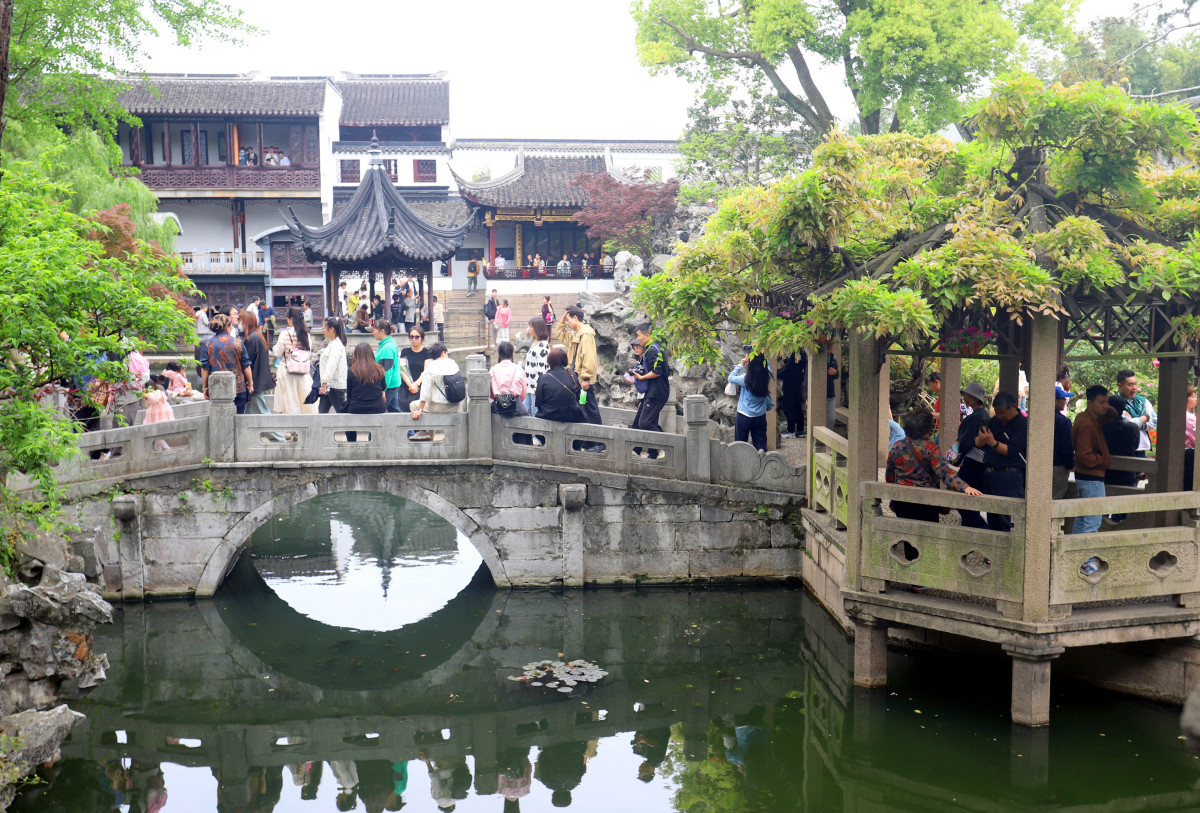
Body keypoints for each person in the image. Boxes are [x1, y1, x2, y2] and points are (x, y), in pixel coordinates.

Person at [886, 409, 982, 522]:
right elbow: (945, 473)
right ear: (926, 429)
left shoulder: (897, 446)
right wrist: (965, 487)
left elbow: (889, 475)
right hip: (926, 503)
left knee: (906, 534)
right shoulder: (931, 448)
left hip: (901, 501)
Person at [975, 390, 1026, 532]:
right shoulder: (995, 422)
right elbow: (978, 444)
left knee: (1007, 519)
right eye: (997, 413)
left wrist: (992, 442)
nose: (1001, 416)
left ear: (1014, 407)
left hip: (1009, 475)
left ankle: (1009, 552)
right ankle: (993, 553)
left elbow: (1012, 451)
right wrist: (981, 438)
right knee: (993, 518)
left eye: (1004, 412)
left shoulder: (1022, 423)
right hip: (990, 474)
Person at [1072, 384, 1120, 534]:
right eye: (1101, 402)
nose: (1105, 406)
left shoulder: (1090, 418)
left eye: (1107, 402)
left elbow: (1113, 415)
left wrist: (1104, 405)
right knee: (1092, 521)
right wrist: (1103, 460)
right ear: (1090, 403)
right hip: (1091, 478)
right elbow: (1083, 456)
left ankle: (1076, 555)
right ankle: (1087, 558)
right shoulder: (1086, 423)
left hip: (1086, 477)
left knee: (1083, 519)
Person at [554, 306, 602, 424]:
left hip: (584, 381)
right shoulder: (576, 335)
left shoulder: (586, 335)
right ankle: (587, 441)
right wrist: (562, 319)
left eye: (568, 320)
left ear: (575, 318)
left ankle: (598, 441)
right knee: (583, 410)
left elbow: (589, 358)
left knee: (590, 410)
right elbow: (560, 335)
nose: (567, 323)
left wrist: (585, 378)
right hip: (577, 380)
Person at [199, 313, 253, 413]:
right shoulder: (237, 342)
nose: (232, 327)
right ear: (227, 327)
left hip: (217, 388)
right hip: (239, 387)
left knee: (220, 417)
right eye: (231, 325)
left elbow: (205, 368)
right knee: (239, 417)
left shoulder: (208, 344)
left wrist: (205, 387)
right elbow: (246, 366)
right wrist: (250, 383)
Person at [955, 382, 991, 529]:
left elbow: (964, 442)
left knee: (960, 498)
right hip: (981, 463)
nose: (965, 397)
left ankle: (984, 530)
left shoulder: (975, 417)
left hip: (973, 462)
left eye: (968, 395)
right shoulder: (983, 415)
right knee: (971, 501)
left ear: (976, 399)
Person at [1103, 394, 1141, 525]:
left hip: (1105, 471)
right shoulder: (1132, 427)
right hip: (1127, 472)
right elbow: (1135, 446)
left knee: (1103, 505)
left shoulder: (1101, 426)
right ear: (1123, 408)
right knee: (1124, 506)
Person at [272, 307, 316, 415]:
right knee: (303, 401)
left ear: (291, 319)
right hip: (303, 371)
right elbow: (308, 353)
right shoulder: (306, 334)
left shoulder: (285, 334)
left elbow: (277, 353)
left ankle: (290, 429)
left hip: (287, 371)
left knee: (288, 400)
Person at [728, 354, 773, 451]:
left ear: (751, 365)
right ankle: (761, 465)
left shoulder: (745, 379)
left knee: (740, 445)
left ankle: (742, 465)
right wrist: (763, 355)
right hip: (760, 417)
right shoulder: (767, 376)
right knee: (760, 446)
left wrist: (742, 364)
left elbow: (731, 377)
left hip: (744, 415)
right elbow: (768, 366)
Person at [631, 323, 670, 434]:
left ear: (647, 335)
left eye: (639, 336)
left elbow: (657, 371)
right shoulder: (655, 347)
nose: (638, 339)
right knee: (648, 422)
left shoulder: (652, 350)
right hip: (655, 391)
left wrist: (642, 377)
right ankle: (653, 452)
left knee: (644, 423)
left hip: (656, 393)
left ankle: (665, 444)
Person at [412, 342, 462, 417]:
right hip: (456, 405)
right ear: (443, 353)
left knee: (413, 405)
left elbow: (425, 393)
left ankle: (427, 428)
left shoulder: (431, 368)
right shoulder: (454, 364)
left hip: (440, 407)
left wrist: (419, 410)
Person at [536, 346, 584, 423]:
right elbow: (580, 398)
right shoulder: (573, 375)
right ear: (565, 360)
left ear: (549, 361)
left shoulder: (544, 378)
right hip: (572, 416)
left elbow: (538, 402)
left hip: (550, 415)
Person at [1117, 369, 1157, 458]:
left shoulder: (1143, 401)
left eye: (1135, 384)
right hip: (1124, 447)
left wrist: (1138, 423)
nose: (1134, 387)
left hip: (1142, 447)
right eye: (1130, 384)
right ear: (1120, 385)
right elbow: (1124, 425)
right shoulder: (1116, 403)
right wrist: (1145, 418)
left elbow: (1155, 421)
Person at [240, 311, 274, 415]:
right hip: (259, 378)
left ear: (246, 323)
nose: (240, 324)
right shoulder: (257, 336)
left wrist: (249, 381)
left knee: (262, 412)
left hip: (255, 380)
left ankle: (276, 432)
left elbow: (248, 362)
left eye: (241, 321)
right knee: (251, 412)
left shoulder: (251, 338)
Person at [346, 343, 387, 414]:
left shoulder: (351, 371)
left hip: (356, 407)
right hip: (377, 407)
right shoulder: (379, 369)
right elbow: (384, 387)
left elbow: (349, 393)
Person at [490, 341, 529, 415]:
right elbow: (524, 391)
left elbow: (491, 393)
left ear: (499, 353)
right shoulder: (518, 368)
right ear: (512, 354)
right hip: (516, 405)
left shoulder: (493, 370)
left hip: (497, 406)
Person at [318, 317, 348, 413]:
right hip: (330, 385)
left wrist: (324, 383)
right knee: (322, 411)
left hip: (334, 386)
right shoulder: (333, 343)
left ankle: (350, 428)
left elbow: (331, 365)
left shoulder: (336, 345)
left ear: (331, 329)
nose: (322, 330)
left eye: (324, 327)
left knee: (341, 413)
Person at [373, 319, 403, 413]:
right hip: (392, 383)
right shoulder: (387, 344)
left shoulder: (387, 347)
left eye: (374, 329)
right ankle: (409, 428)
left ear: (382, 331)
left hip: (389, 385)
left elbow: (386, 370)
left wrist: (383, 389)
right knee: (394, 411)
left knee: (378, 411)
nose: (373, 332)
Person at [399, 326, 431, 412]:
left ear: (422, 338)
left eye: (417, 337)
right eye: (411, 336)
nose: (414, 339)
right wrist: (410, 385)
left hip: (421, 387)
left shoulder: (427, 353)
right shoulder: (405, 351)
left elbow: (426, 371)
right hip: (406, 386)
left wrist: (416, 385)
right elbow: (402, 370)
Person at [523, 318, 551, 417]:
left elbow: (542, 368)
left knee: (535, 414)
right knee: (526, 412)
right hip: (529, 386)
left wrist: (537, 387)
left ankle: (535, 433)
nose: (529, 329)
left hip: (536, 387)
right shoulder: (534, 343)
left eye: (531, 327)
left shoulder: (543, 345)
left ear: (537, 328)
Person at [1053, 384, 1075, 501]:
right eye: (1063, 398)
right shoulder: (1063, 422)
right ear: (1055, 400)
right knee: (1054, 501)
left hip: (1038, 467)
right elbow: (1067, 447)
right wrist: (1069, 465)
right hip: (1058, 467)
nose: (1065, 401)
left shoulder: (1033, 420)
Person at [779, 353, 806, 438]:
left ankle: (791, 430)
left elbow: (787, 369)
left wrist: (776, 374)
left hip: (790, 384)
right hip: (797, 383)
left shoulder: (795, 354)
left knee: (789, 407)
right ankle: (800, 430)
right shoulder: (803, 354)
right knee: (797, 407)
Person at [826, 350, 839, 427]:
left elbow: (837, 375)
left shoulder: (832, 356)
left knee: (831, 419)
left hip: (830, 393)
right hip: (816, 394)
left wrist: (835, 372)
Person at [1187, 385, 1197, 491]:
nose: (1195, 399)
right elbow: (1196, 439)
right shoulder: (1188, 417)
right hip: (1189, 454)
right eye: (1192, 396)